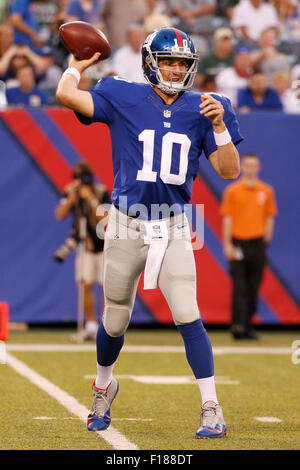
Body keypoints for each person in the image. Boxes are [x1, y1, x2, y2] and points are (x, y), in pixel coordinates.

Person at [56, 27, 242, 438]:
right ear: (149, 63)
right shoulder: (122, 94)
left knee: (187, 313)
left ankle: (211, 406)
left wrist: (221, 128)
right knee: (115, 318)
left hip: (175, 222)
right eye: (169, 62)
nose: (176, 70)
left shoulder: (209, 106)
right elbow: (67, 96)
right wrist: (75, 66)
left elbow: (230, 171)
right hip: (125, 220)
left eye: (183, 63)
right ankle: (103, 385)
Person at [220, 153, 277, 340]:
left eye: (254, 165)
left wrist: (266, 239)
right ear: (242, 167)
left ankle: (247, 325)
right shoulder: (233, 191)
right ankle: (237, 326)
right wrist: (227, 243)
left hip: (257, 243)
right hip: (238, 242)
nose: (250, 168)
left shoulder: (266, 191)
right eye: (247, 165)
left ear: (258, 167)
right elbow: (227, 218)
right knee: (239, 287)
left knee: (254, 287)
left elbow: (269, 216)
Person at [55, 161, 111, 342]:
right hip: (85, 246)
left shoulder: (101, 192)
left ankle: (106, 326)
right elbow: (60, 214)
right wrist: (72, 198)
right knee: (84, 284)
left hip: (104, 246)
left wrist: (90, 199)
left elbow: (107, 221)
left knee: (106, 287)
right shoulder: (71, 191)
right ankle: (91, 326)